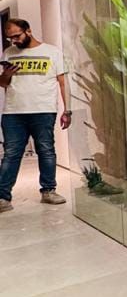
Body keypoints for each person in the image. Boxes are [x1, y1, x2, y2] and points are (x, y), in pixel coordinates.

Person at [0, 18, 72, 211]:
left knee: (46, 151)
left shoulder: (52, 52)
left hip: (43, 110)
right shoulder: (9, 53)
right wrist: (7, 74)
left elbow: (63, 83)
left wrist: (67, 110)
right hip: (13, 112)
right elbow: (3, 83)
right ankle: (3, 197)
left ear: (28, 31)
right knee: (11, 155)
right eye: (10, 38)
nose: (14, 41)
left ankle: (48, 191)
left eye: (17, 36)